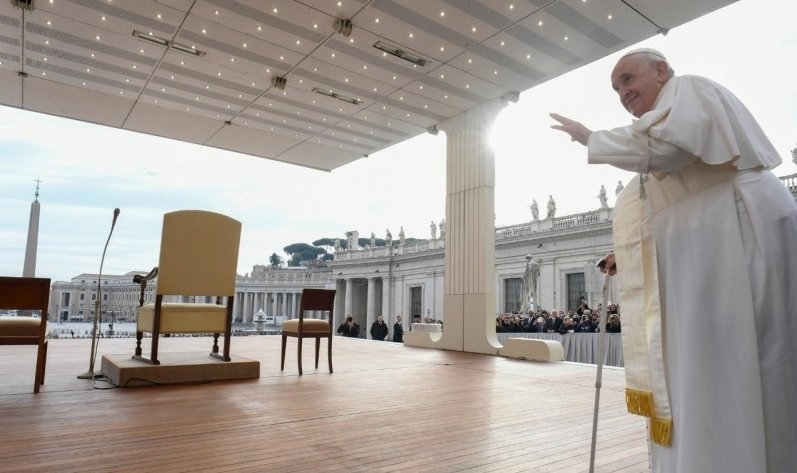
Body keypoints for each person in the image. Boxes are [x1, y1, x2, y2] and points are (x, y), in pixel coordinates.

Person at [550, 48, 797, 472]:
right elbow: (663, 198)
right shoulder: (659, 126)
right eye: (615, 88)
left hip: (736, 236)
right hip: (711, 246)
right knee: (709, 374)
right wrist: (626, 252)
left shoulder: (688, 91)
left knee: (738, 366)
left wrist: (592, 138)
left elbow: (671, 153)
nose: (622, 93)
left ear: (662, 71)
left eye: (628, 79)